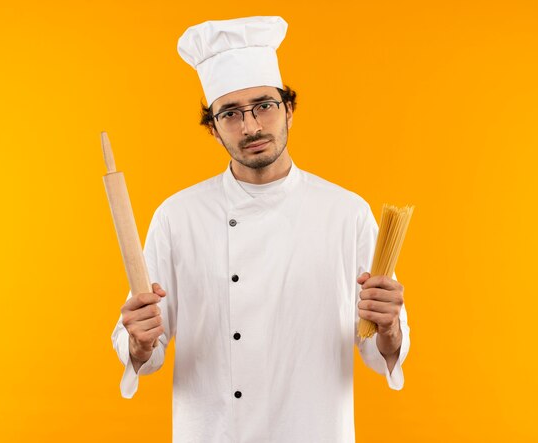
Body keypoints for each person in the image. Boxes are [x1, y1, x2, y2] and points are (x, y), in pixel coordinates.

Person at [111, 15, 410, 443]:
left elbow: (380, 352)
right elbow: (145, 350)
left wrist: (390, 327)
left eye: (264, 106)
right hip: (212, 433)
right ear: (213, 129)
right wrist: (139, 341)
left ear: (289, 108)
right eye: (230, 113)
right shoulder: (178, 217)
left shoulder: (348, 214)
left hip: (315, 431)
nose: (251, 126)